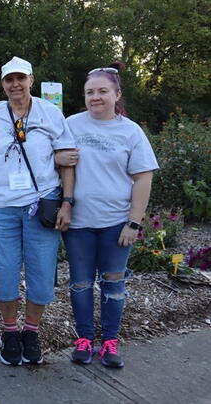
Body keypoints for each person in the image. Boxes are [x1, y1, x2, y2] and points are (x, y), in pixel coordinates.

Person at [62, 63, 158, 368]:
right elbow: (56, 161)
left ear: (117, 94)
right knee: (80, 284)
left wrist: (134, 221)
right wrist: (58, 156)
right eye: (90, 92)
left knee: (114, 284)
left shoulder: (131, 132)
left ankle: (110, 342)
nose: (96, 97)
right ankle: (85, 340)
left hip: (116, 223)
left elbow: (143, 177)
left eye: (103, 91)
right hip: (78, 223)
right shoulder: (72, 125)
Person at [0, 56, 76, 366]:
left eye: (21, 78)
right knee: (5, 271)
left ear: (31, 80)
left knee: (41, 271)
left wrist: (67, 202)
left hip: (41, 203)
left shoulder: (50, 113)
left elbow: (68, 161)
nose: (15, 84)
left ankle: (31, 331)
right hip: (0, 205)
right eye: (9, 80)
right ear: (3, 84)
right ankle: (10, 331)